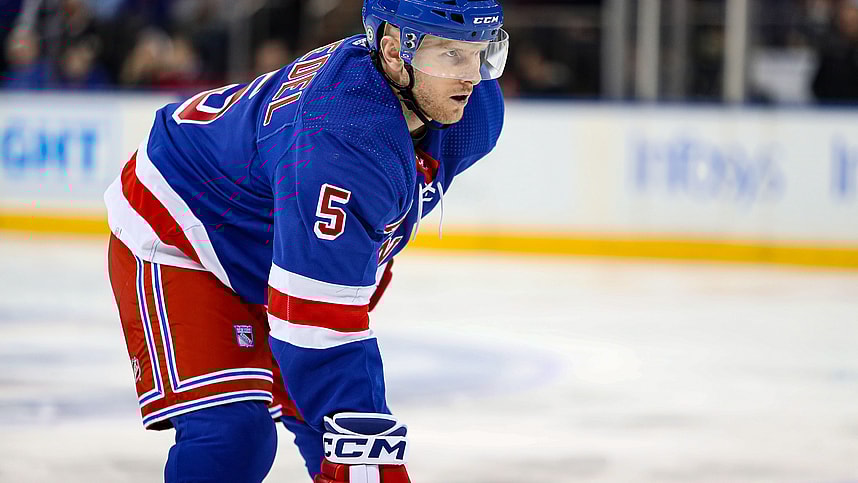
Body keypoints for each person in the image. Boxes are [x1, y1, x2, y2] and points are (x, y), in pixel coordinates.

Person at [103, 0, 508, 481]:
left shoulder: (475, 112)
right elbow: (319, 323)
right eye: (448, 54)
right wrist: (366, 450)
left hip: (275, 235)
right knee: (234, 438)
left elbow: (374, 225)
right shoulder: (341, 135)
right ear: (394, 51)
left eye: (481, 52)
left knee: (328, 419)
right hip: (182, 227)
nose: (472, 76)